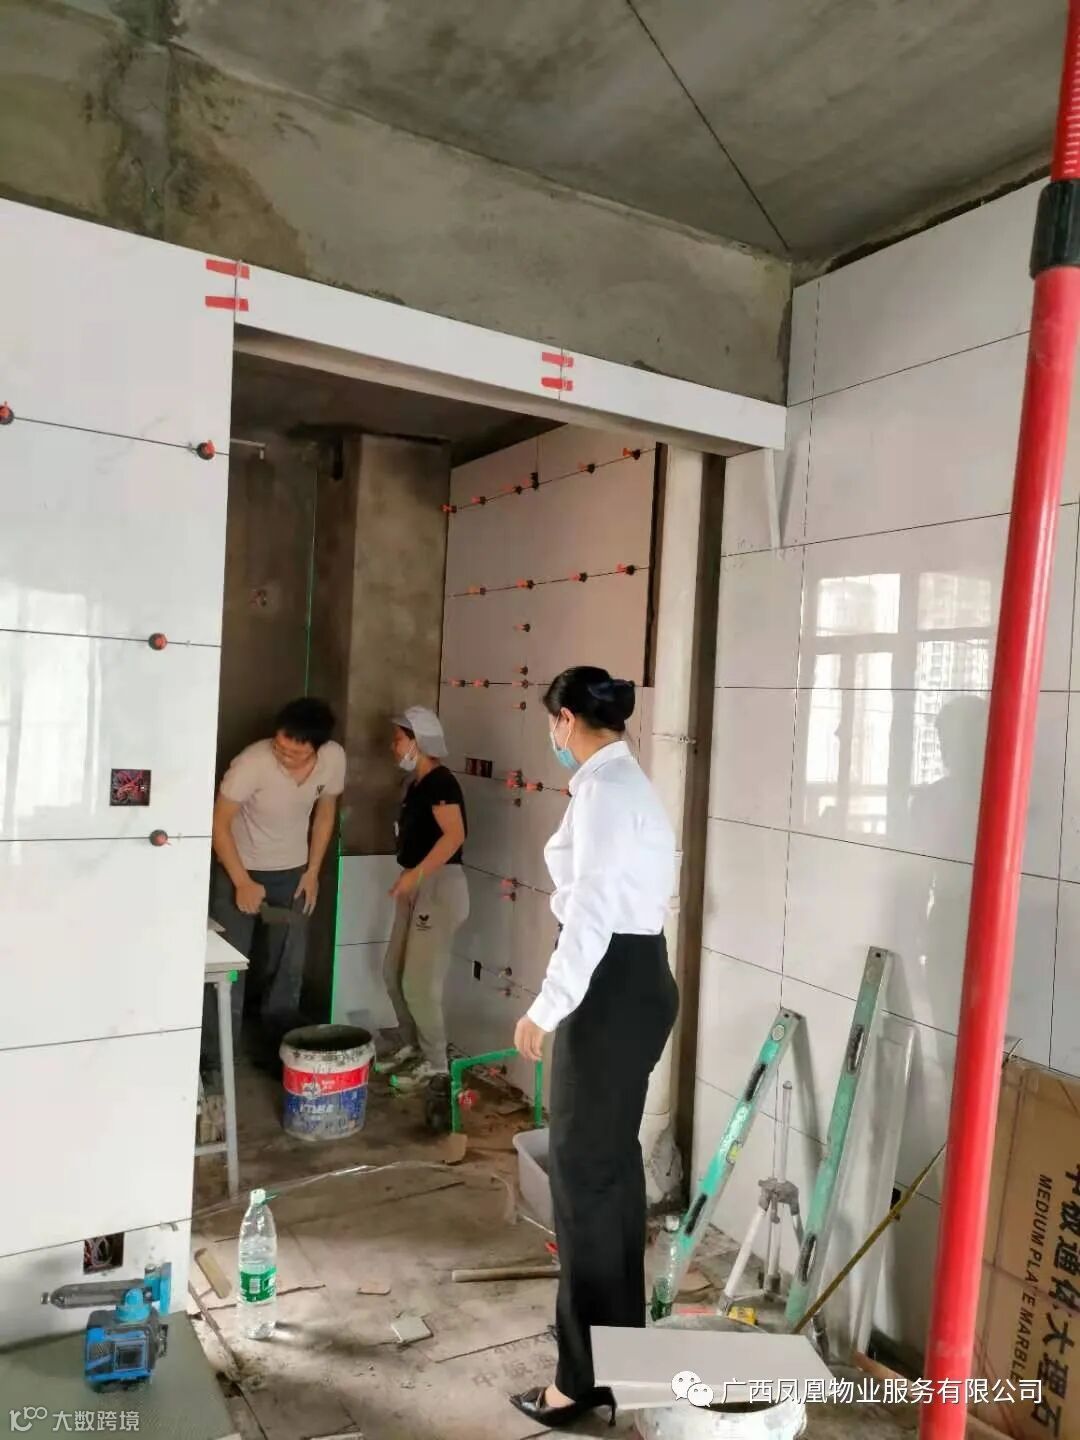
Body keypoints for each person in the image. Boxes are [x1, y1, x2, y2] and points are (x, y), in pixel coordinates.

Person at [509, 667, 678, 1429]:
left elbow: (593, 913)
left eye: (552, 721)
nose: (551, 734)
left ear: (567, 720)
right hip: (631, 980)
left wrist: (547, 1006)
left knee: (584, 1182)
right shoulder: (620, 784)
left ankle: (579, 1382)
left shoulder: (608, 792)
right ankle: (614, 1365)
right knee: (607, 1177)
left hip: (608, 988)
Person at [205, 697, 345, 1070]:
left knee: (288, 965)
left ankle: (282, 1053)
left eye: (295, 753)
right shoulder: (251, 763)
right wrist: (241, 881)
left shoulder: (333, 759)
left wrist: (312, 871)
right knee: (228, 967)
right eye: (280, 747)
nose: (284, 756)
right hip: (240, 869)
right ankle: (217, 1060)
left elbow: (326, 812)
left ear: (317, 748)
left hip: (293, 873)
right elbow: (218, 823)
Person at [376, 705, 470, 1091]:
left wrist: (416, 876)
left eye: (399, 739)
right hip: (415, 884)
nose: (394, 746)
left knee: (417, 984)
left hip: (438, 887)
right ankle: (413, 1045)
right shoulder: (415, 784)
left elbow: (454, 836)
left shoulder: (441, 783)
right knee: (392, 973)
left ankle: (436, 1065)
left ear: (419, 742)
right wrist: (409, 878)